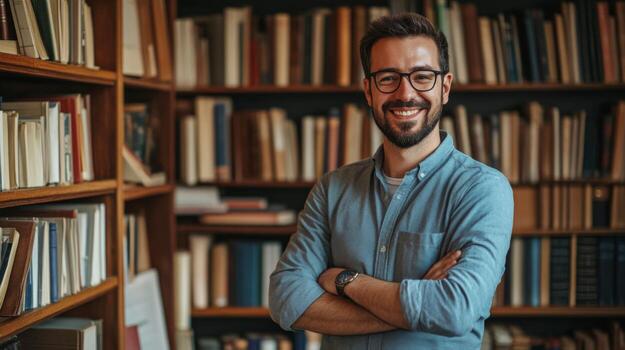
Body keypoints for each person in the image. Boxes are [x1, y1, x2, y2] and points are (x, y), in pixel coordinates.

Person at [269, 13, 513, 349]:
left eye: (422, 77)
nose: (405, 93)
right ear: (369, 90)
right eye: (387, 78)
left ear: (445, 87)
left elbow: (454, 310)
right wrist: (410, 308)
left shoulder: (482, 189)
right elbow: (286, 299)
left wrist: (345, 282)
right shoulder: (333, 188)